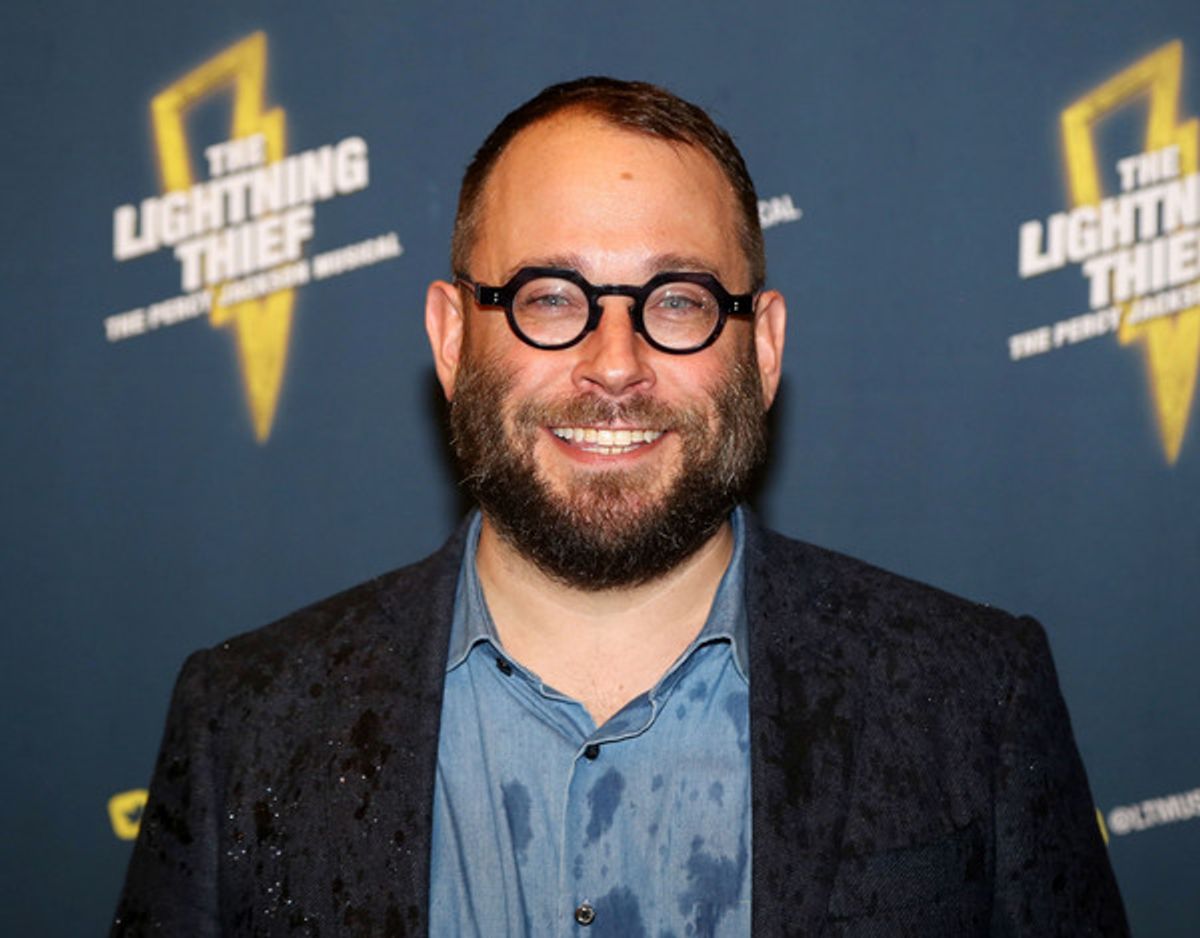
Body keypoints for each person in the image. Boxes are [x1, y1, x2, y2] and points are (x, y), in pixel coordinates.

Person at [112, 77, 1128, 937]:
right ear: (452, 337)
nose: (614, 365)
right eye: (549, 297)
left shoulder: (973, 693)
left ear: (762, 349)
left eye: (678, 300)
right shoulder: (244, 721)